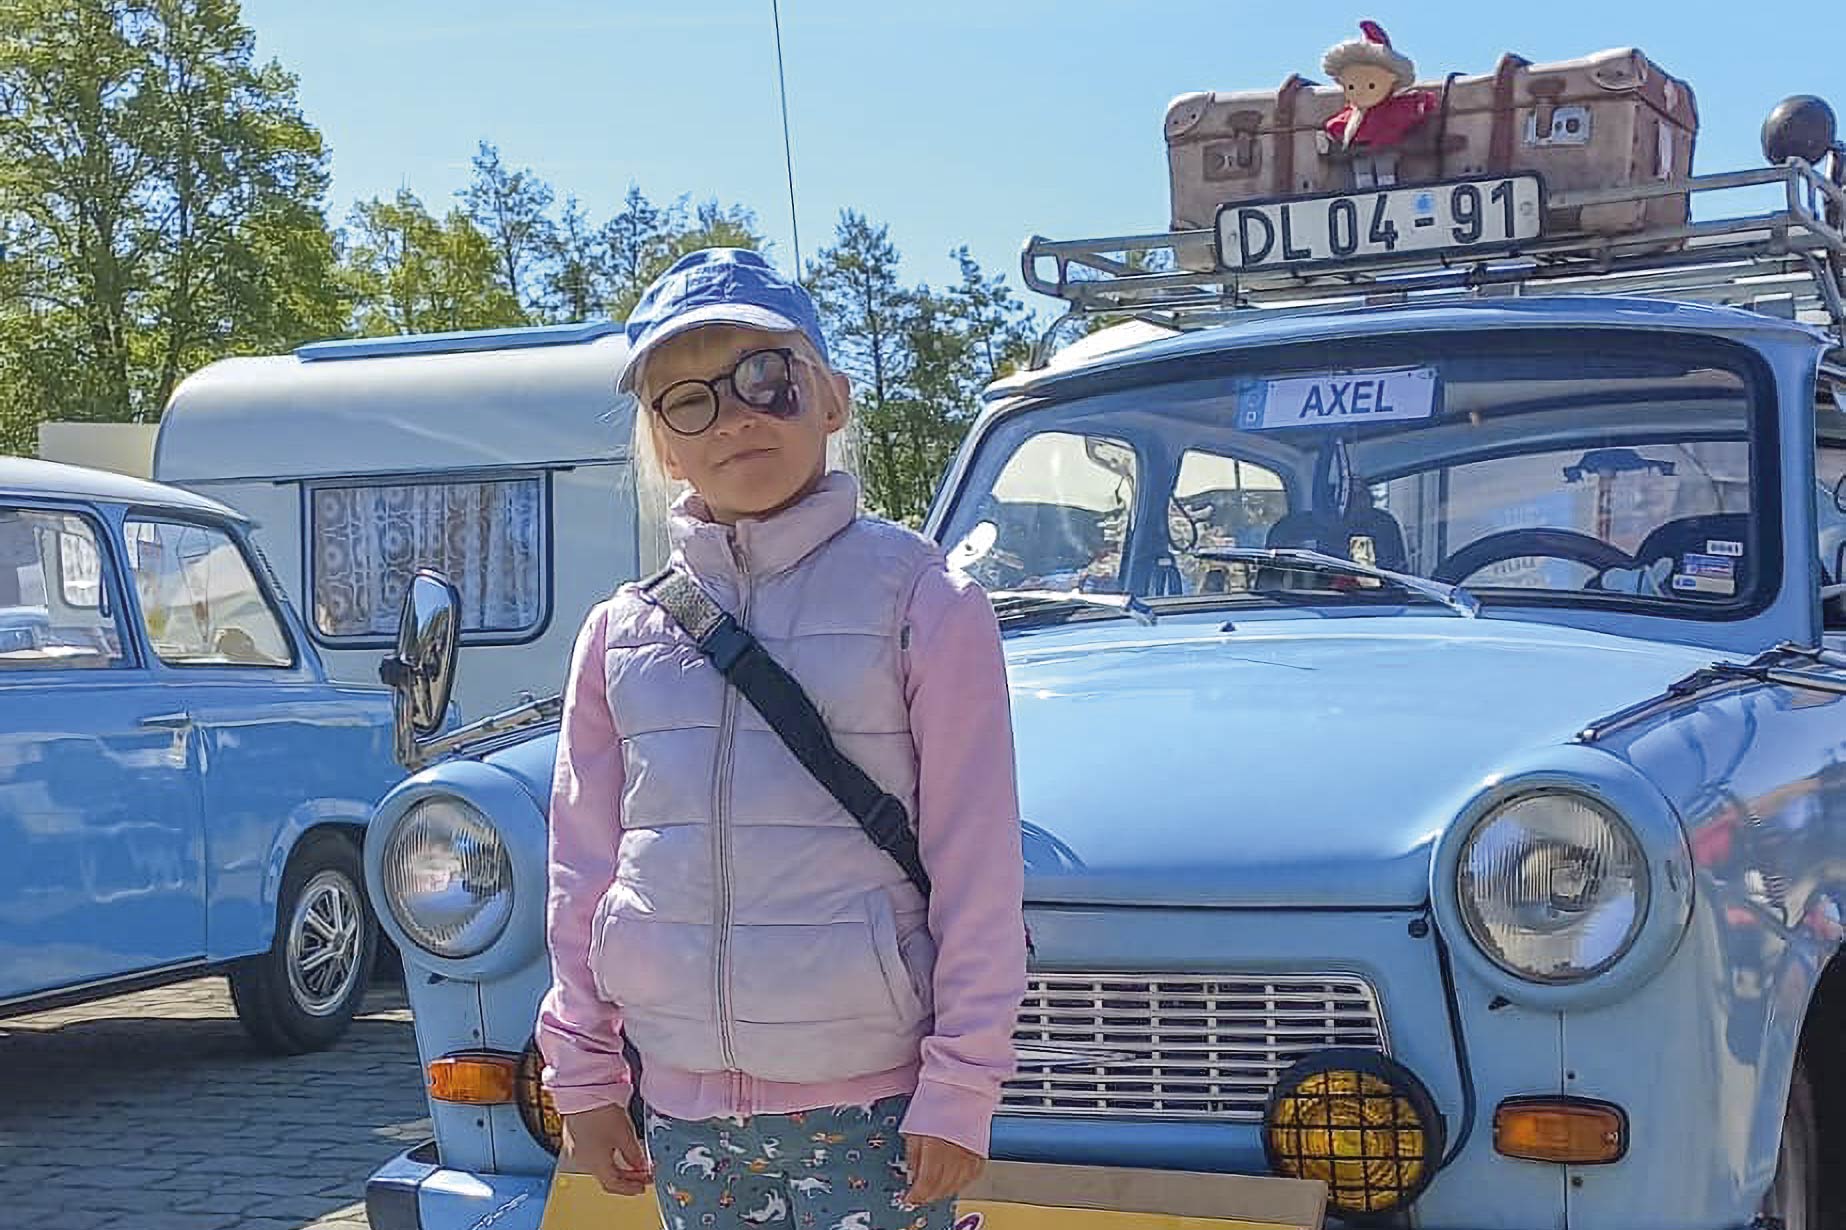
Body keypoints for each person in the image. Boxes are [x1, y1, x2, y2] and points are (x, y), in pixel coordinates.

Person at [536, 248, 1027, 1230]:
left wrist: (963, 1081)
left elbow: (977, 868)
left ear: (832, 399)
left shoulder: (922, 600)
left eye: (765, 377)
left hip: (873, 1105)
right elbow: (582, 870)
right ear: (663, 446)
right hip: (681, 1112)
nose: (735, 417)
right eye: (690, 402)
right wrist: (583, 1072)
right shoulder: (620, 633)